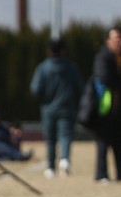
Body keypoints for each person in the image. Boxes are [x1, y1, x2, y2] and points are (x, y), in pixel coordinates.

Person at [29, 37, 82, 178]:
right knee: (65, 135)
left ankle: (51, 167)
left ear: (48, 51)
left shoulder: (43, 68)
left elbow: (35, 89)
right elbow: (79, 88)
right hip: (67, 108)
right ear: (64, 50)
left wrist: (44, 99)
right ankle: (64, 160)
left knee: (50, 139)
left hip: (48, 109)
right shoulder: (72, 67)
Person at [91, 26, 121, 183]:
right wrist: (120, 81)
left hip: (120, 107)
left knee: (120, 141)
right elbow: (105, 78)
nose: (119, 42)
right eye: (115, 38)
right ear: (107, 41)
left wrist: (119, 81)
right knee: (103, 141)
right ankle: (102, 174)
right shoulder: (103, 57)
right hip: (105, 107)